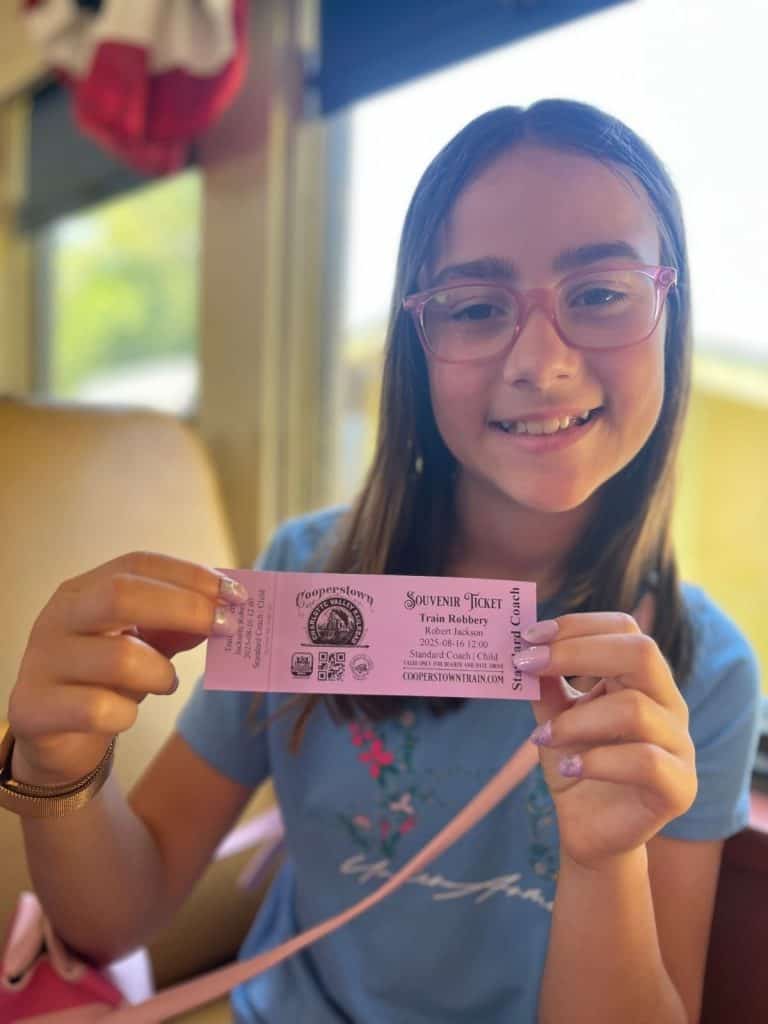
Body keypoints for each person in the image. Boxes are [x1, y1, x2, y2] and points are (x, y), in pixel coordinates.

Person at [5, 100, 761, 1023]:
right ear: (418, 343)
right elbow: (118, 915)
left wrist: (604, 865)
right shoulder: (307, 573)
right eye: (476, 306)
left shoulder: (703, 674)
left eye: (600, 292)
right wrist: (59, 766)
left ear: (668, 307)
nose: (542, 361)